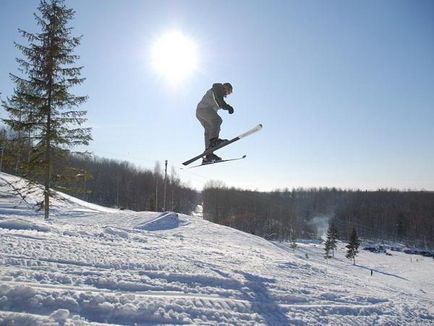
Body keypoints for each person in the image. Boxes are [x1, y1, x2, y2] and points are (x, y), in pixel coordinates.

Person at [196, 82, 234, 163]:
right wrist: (228, 107)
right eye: (228, 91)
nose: (227, 93)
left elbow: (219, 101)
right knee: (217, 121)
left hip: (200, 112)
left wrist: (225, 106)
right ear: (225, 87)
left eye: (229, 93)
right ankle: (214, 141)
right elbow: (219, 101)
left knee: (209, 131)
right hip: (203, 109)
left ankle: (208, 155)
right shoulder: (217, 89)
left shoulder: (219, 93)